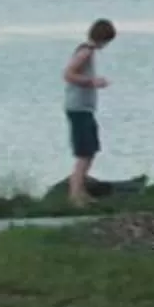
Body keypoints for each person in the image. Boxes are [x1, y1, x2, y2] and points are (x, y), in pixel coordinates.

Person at [63, 18, 115, 207]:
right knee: (84, 153)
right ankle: (75, 194)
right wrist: (92, 82)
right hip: (78, 108)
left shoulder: (87, 51)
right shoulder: (85, 52)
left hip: (84, 108)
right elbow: (68, 74)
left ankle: (81, 191)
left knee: (90, 151)